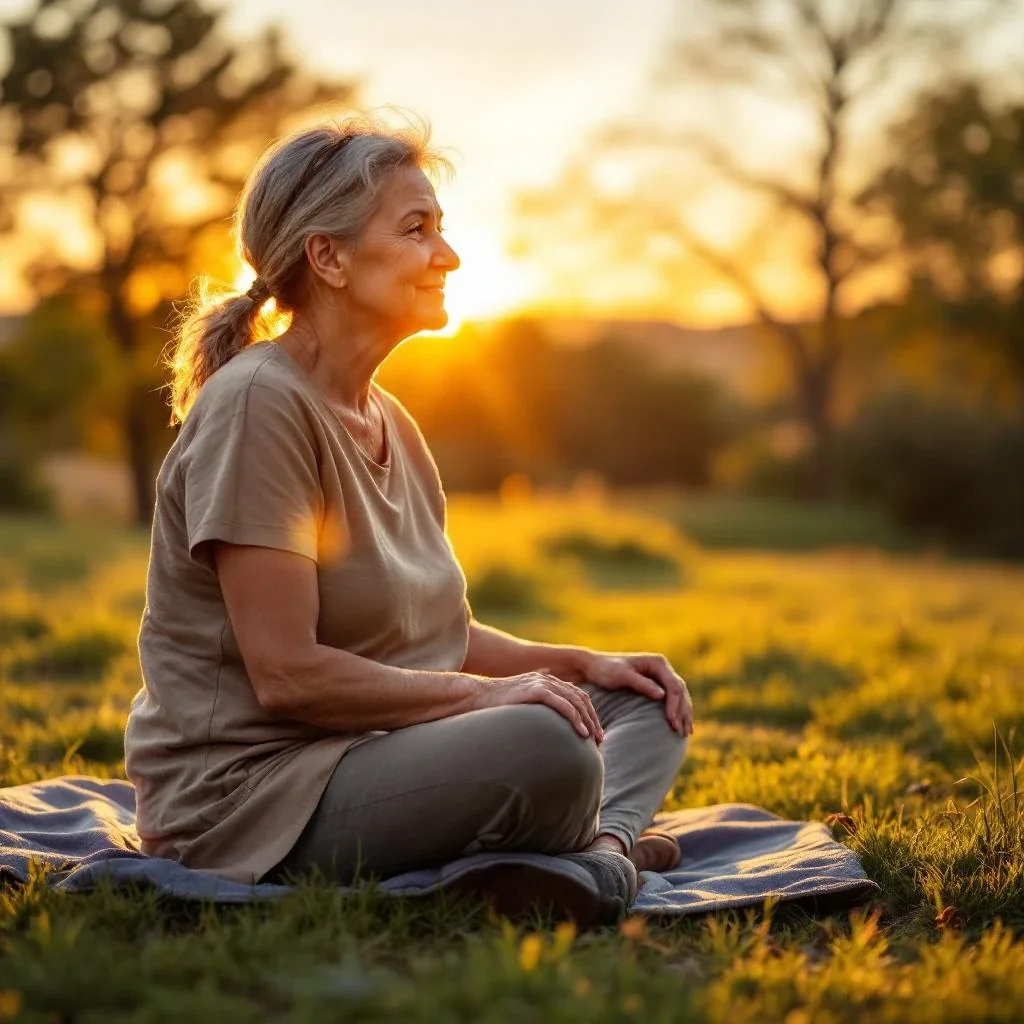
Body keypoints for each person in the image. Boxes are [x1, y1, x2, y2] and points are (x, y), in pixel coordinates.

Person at [124, 114, 693, 926]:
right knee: (545, 744)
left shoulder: (390, 419)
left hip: (372, 750)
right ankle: (605, 850)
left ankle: (600, 853)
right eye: (416, 229)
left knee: (640, 704)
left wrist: (576, 663)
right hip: (256, 797)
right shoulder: (259, 408)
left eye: (441, 229)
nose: (449, 256)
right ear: (329, 257)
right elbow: (285, 674)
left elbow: (436, 635)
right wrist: (485, 702)